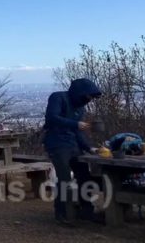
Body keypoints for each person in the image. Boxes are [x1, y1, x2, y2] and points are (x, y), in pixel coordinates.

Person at [43, 78, 103, 225]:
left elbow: (78, 132)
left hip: (73, 145)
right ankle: (62, 213)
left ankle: (87, 211)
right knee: (64, 179)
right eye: (88, 96)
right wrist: (75, 123)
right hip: (57, 144)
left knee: (84, 176)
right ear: (80, 92)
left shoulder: (80, 108)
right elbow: (51, 118)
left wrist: (89, 148)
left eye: (91, 98)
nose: (89, 100)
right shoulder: (58, 97)